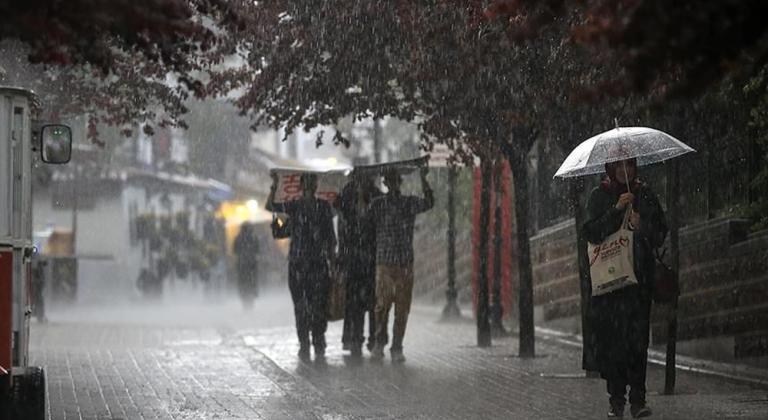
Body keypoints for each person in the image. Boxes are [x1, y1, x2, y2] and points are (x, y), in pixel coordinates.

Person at [583, 158, 667, 419]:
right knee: (614, 344)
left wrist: (643, 226)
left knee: (638, 342)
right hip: (610, 286)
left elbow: (660, 233)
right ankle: (616, 400)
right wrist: (616, 211)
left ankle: (638, 400)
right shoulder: (600, 196)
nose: (624, 170)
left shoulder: (644, 194)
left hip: (638, 283)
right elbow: (591, 232)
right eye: (618, 166)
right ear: (610, 169)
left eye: (628, 165)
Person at [267, 173, 336, 360]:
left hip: (315, 264)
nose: (310, 187)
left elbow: (330, 237)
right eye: (308, 184)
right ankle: (307, 342)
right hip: (300, 265)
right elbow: (271, 207)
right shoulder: (296, 207)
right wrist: (274, 186)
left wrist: (333, 260)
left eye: (312, 184)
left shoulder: (321, 207)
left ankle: (316, 341)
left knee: (316, 305)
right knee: (303, 306)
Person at [368, 165, 434, 363]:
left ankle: (397, 346)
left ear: (399, 183)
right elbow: (364, 219)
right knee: (382, 305)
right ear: (386, 183)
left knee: (402, 308)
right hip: (385, 262)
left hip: (404, 261)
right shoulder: (378, 204)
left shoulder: (408, 203)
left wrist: (424, 179)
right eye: (390, 180)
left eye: (396, 180)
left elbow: (429, 202)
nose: (393, 184)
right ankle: (380, 342)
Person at [335, 171, 383, 357]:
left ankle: (372, 338)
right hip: (355, 258)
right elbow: (343, 225)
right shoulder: (348, 195)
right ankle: (356, 338)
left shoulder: (375, 196)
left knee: (371, 302)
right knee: (355, 302)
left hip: (369, 258)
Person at [233, 222, 260, 309]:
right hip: (252, 264)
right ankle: (251, 301)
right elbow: (258, 250)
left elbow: (234, 250)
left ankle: (245, 302)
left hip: (241, 264)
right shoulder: (254, 237)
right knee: (251, 282)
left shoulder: (238, 238)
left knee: (243, 283)